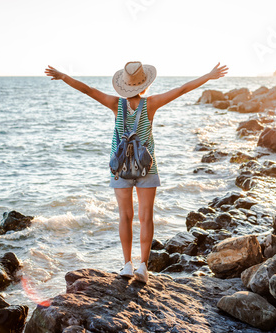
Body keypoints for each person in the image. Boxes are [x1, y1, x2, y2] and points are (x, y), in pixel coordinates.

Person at [45, 61, 228, 282]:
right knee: (146, 217)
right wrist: (208, 76)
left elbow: (88, 90)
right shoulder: (150, 104)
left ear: (123, 85)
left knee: (125, 217)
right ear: (144, 83)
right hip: (147, 167)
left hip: (120, 168)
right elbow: (182, 89)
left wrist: (64, 76)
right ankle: (143, 267)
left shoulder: (116, 104)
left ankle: (126, 265)